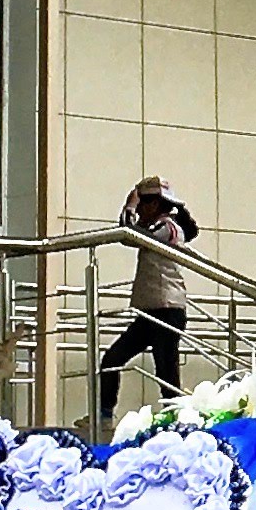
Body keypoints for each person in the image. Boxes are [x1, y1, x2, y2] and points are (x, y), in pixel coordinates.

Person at [95, 173, 199, 427]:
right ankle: (104, 416)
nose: (139, 210)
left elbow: (129, 235)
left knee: (166, 371)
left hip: (166, 309)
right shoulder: (164, 227)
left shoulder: (166, 227)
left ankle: (177, 420)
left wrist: (129, 207)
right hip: (151, 310)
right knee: (113, 359)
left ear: (154, 204)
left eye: (142, 204)